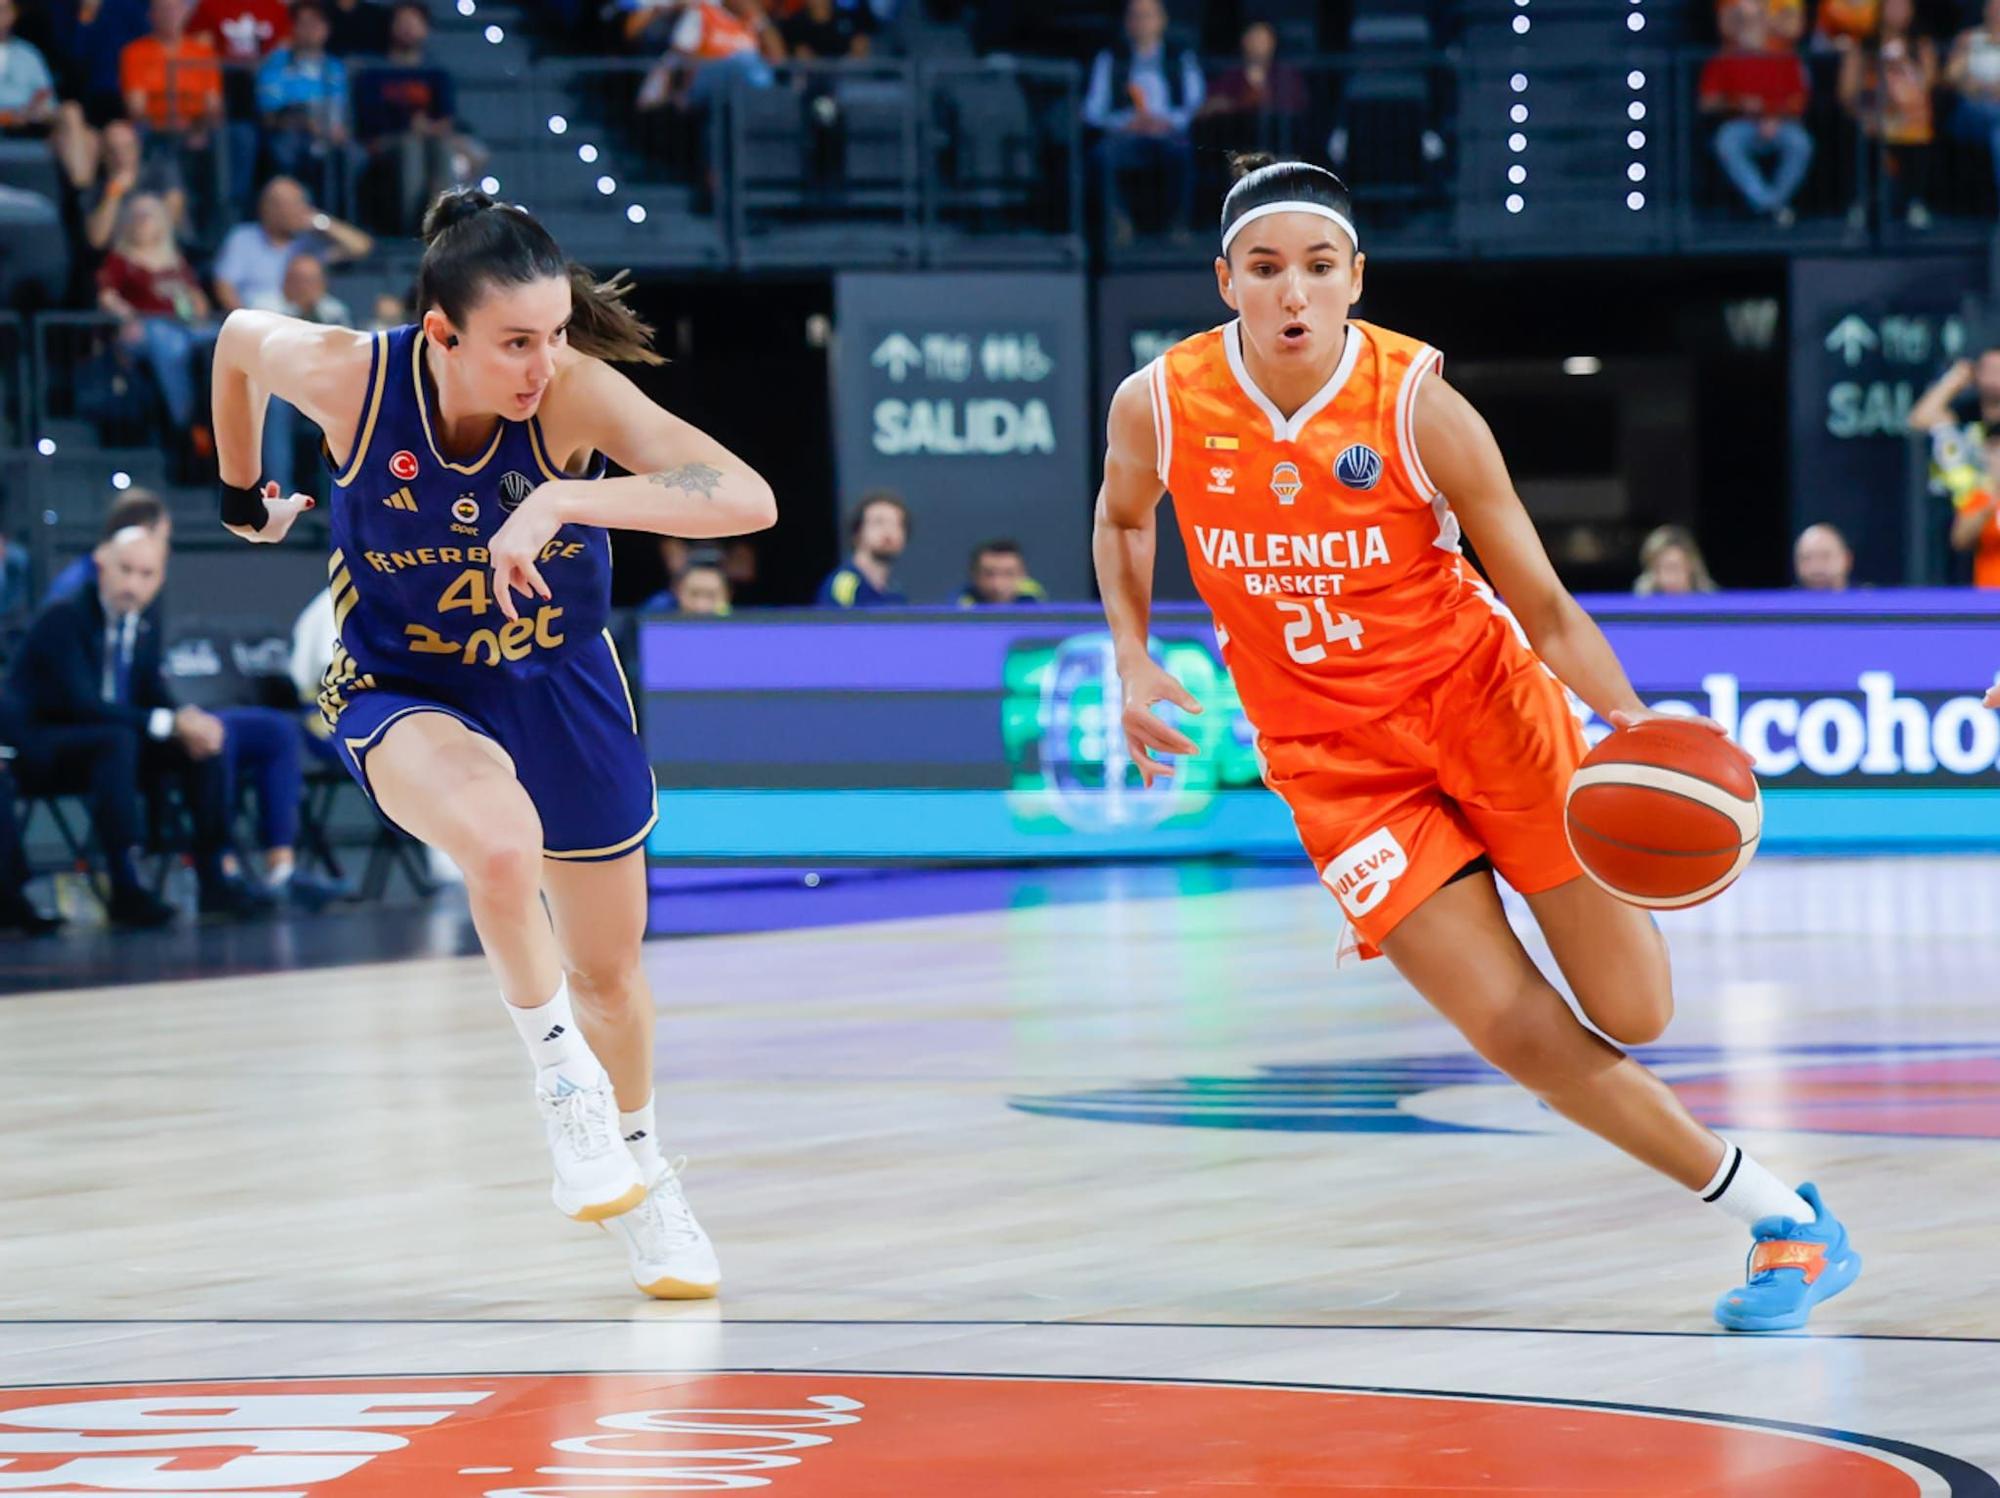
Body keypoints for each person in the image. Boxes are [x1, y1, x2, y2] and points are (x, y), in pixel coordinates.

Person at [1094, 156, 1862, 1333]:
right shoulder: (1157, 402)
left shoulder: (1417, 406)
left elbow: (1544, 604)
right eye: (1262, 269)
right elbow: (1120, 516)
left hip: (1485, 711)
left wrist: (1632, 723)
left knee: (1634, 1008)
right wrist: (1133, 655)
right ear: (1224, 281)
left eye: (1313, 266)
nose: (1289, 292)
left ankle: (1760, 1192)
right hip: (1335, 770)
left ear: (1354, 277)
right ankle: (1782, 1219)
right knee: (1515, 1031)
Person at [210, 185, 776, 1296]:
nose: (540, 361)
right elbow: (236, 342)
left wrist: (569, 502)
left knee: (609, 971)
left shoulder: (571, 396)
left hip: (555, 679)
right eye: (517, 341)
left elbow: (745, 497)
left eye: (555, 334)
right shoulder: (346, 376)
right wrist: (238, 490)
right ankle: (563, 1090)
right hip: (405, 679)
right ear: (441, 333)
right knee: (500, 849)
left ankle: (643, 1173)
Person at [5, 522, 266, 925]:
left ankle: (214, 876)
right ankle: (125, 884)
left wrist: (188, 721)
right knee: (119, 740)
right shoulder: (65, 617)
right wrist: (168, 721)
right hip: (40, 746)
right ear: (100, 565)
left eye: (146, 575)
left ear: (160, 577)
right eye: (125, 570)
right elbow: (82, 705)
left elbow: (150, 690)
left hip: (109, 742)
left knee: (201, 744)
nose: (133, 584)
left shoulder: (143, 619)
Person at [96, 191, 216, 439]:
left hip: (183, 324)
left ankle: (216, 414)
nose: (141, 221)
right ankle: (184, 421)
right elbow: (106, 296)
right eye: (136, 215)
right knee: (168, 343)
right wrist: (126, 315)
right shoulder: (120, 260)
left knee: (222, 337)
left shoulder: (175, 262)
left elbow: (196, 298)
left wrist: (197, 306)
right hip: (144, 328)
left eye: (147, 215)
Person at [1082, 0, 1204, 243]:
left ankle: (1177, 225)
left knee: (1184, 153)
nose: (1142, 23)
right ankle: (1118, 223)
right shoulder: (1110, 59)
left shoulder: (1180, 57)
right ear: (1127, 23)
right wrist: (1125, 122)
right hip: (1127, 135)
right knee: (1101, 156)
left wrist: (1165, 122)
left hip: (1167, 134)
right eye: (1136, 16)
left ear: (1162, 21)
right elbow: (1092, 110)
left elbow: (1195, 103)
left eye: (1148, 16)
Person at [351, 1, 478, 233]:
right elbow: (368, 122)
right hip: (386, 141)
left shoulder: (436, 73)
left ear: (425, 28)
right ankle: (412, 225)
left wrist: (426, 128)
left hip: (431, 138)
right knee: (411, 146)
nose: (408, 28)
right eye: (402, 22)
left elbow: (447, 119)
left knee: (443, 147)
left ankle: (445, 222)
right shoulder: (373, 72)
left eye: (414, 22)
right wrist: (409, 126)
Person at [1699, 3, 1814, 226]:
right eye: (1744, 20)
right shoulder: (1725, 58)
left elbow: (1799, 100)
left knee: (1800, 143)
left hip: (1780, 123)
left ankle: (1768, 204)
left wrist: (1774, 116)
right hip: (1740, 123)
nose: (1750, 26)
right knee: (1726, 141)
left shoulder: (1784, 55)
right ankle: (1769, 204)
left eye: (1755, 19)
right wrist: (1737, 103)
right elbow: (1707, 103)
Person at [212, 174, 372, 313]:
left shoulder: (308, 242)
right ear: (267, 208)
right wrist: (245, 324)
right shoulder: (243, 238)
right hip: (259, 319)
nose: (298, 210)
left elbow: (361, 247)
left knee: (335, 311)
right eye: (290, 205)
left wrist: (321, 221)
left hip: (303, 319)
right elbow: (224, 287)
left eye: (300, 203)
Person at [1838, 0, 1935, 228]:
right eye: (1892, 5)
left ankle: (1914, 202)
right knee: (1866, 135)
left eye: (1903, 6)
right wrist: (1867, 109)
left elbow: (1928, 84)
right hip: (1871, 111)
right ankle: (1862, 203)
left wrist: (1904, 66)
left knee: (1920, 132)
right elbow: (1847, 92)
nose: (1898, 12)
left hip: (1910, 116)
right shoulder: (1863, 47)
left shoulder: (1919, 46)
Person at [1910, 352, 2000, 588]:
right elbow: (1919, 419)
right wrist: (1957, 377)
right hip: (1963, 517)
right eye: (1989, 370)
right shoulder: (1965, 424)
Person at [255, 0, 352, 208]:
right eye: (305, 23)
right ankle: (289, 213)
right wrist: (307, 122)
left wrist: (337, 129)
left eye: (317, 24)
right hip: (289, 133)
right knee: (287, 148)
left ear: (327, 30)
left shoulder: (335, 67)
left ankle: (343, 221)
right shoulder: (276, 62)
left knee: (352, 155)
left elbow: (342, 108)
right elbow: (270, 113)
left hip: (329, 135)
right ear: (294, 27)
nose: (311, 30)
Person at [82, 116, 188, 252]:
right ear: (103, 156)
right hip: (123, 263)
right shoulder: (96, 188)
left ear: (137, 147)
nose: (121, 156)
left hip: (167, 255)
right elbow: (97, 239)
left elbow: (173, 215)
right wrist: (114, 192)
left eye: (127, 147)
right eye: (112, 150)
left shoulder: (160, 170)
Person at [816, 490, 907, 606]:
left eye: (897, 524)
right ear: (857, 533)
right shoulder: (843, 585)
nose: (888, 531)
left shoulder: (896, 595)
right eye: (878, 522)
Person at [1946, 0, 2000, 195]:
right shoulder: (1969, 39)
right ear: (1985, 10)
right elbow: (1951, 77)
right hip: (1972, 111)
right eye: (1994, 7)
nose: (1997, 12)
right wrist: (1979, 87)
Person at [956, 538, 1047, 607]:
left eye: (1008, 574)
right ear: (974, 576)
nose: (998, 584)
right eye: (989, 574)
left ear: (1023, 575)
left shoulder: (1034, 599)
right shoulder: (959, 603)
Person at [1632, 524, 1718, 595]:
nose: (1667, 578)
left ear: (1691, 566)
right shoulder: (1643, 603)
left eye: (1674, 567)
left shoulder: (1711, 603)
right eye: (1658, 569)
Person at [1793, 521, 1853, 590]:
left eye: (1825, 556)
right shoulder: (1784, 599)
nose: (1816, 568)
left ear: (1847, 559)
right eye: (1807, 558)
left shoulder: (1866, 598)